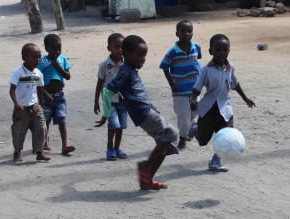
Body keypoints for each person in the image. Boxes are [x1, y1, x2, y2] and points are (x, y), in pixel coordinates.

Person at [95, 35, 179, 190]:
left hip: (146, 109)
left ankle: (146, 181)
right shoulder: (125, 70)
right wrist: (106, 114)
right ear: (127, 55)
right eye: (139, 55)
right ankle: (146, 167)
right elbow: (107, 91)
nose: (143, 59)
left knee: (166, 146)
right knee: (171, 133)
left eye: (144, 56)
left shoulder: (129, 69)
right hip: (142, 111)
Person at [185, 34, 256, 172]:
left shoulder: (231, 68)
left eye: (225, 50)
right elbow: (196, 88)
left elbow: (235, 85)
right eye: (217, 50)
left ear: (229, 51)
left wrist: (245, 98)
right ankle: (195, 128)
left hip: (225, 108)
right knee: (202, 140)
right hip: (209, 109)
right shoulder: (205, 70)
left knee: (226, 134)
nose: (221, 53)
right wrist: (193, 100)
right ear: (211, 51)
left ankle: (216, 160)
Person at [159, 20, 202, 150]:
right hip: (180, 92)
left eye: (189, 31)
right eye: (183, 31)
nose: (186, 33)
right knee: (183, 116)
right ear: (177, 34)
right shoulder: (172, 52)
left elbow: (196, 62)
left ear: (192, 33)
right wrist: (172, 84)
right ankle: (183, 139)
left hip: (194, 90)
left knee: (195, 113)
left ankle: (189, 128)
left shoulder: (196, 47)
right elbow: (165, 67)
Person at [9, 43, 51, 162]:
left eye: (39, 56)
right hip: (22, 109)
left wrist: (41, 107)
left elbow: (40, 90)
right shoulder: (18, 72)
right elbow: (12, 90)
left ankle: (39, 152)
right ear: (24, 57)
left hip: (35, 107)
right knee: (19, 131)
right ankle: (17, 153)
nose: (38, 59)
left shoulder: (38, 73)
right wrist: (16, 102)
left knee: (41, 128)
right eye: (34, 57)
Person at [37, 34, 75, 154]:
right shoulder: (43, 61)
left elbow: (68, 76)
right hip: (46, 97)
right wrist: (44, 93)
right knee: (45, 121)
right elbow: (36, 78)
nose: (57, 51)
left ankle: (65, 145)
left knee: (62, 120)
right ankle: (46, 141)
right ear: (47, 48)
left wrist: (58, 67)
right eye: (54, 49)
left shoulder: (63, 59)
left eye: (59, 48)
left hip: (60, 97)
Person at [94, 33, 128, 161]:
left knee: (121, 126)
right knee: (113, 124)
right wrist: (96, 101)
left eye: (122, 47)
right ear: (109, 48)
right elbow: (99, 83)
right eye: (116, 47)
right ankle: (110, 148)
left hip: (124, 101)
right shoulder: (104, 65)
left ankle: (117, 147)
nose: (120, 50)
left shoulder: (126, 64)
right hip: (110, 101)